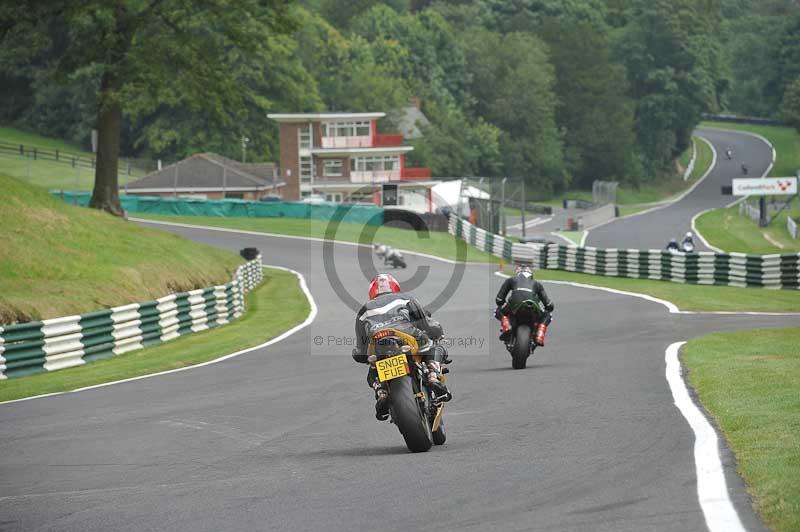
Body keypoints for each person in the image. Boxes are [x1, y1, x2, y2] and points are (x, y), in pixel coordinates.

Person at [352, 273, 451, 420]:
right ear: (395, 286)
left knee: (372, 370)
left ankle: (381, 393)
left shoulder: (364, 310)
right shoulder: (406, 298)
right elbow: (426, 324)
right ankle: (433, 376)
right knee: (436, 347)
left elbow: (361, 348)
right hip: (407, 336)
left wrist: (360, 355)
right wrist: (436, 332)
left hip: (378, 343)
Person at [494, 262, 554, 346]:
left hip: (514, 305)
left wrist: (503, 302)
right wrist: (548, 307)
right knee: (548, 315)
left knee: (497, 310)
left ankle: (506, 325)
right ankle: (540, 333)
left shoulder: (511, 280)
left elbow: (499, 300)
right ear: (531, 274)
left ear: (517, 273)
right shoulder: (537, 284)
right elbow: (549, 305)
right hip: (532, 307)